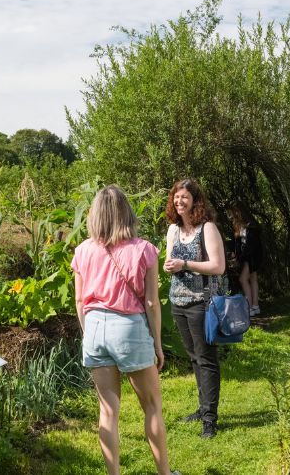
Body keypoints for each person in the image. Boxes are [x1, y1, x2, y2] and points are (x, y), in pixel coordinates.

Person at [72, 185, 174, 475]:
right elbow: (152, 302)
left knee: (107, 411)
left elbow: (80, 301)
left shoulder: (82, 251)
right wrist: (156, 344)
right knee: (152, 405)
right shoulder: (144, 250)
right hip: (128, 326)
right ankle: (164, 473)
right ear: (126, 213)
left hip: (94, 326)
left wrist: (88, 333)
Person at [161, 179, 226, 439]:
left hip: (202, 302)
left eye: (185, 197)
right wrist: (169, 266)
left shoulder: (207, 228)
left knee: (207, 359)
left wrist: (185, 264)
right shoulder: (172, 230)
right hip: (178, 301)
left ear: (195, 201)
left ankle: (210, 419)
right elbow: (169, 260)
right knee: (194, 357)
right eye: (176, 198)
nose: (179, 202)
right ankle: (202, 408)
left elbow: (218, 266)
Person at [230, 205, 264, 316]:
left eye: (235, 214)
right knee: (253, 279)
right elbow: (239, 244)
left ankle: (249, 307)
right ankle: (255, 306)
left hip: (252, 258)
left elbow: (251, 246)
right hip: (250, 257)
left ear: (240, 214)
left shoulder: (251, 227)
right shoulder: (243, 227)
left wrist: (240, 258)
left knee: (243, 279)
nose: (233, 216)